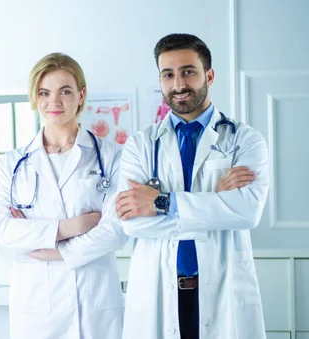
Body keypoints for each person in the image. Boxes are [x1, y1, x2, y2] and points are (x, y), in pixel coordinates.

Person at [116, 33, 269, 339]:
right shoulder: (141, 145)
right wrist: (216, 204)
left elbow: (247, 213)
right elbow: (132, 224)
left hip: (222, 287)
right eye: (168, 74)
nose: (178, 85)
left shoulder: (244, 139)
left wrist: (161, 203)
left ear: (209, 75)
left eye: (188, 71)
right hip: (159, 291)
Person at [0, 52, 127, 339]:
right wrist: (75, 227)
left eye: (65, 91)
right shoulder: (13, 163)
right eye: (45, 92)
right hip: (37, 307)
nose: (54, 102)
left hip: (95, 302)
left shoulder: (112, 156)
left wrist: (57, 251)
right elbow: (5, 232)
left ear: (81, 94)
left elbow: (117, 229)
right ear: (35, 97)